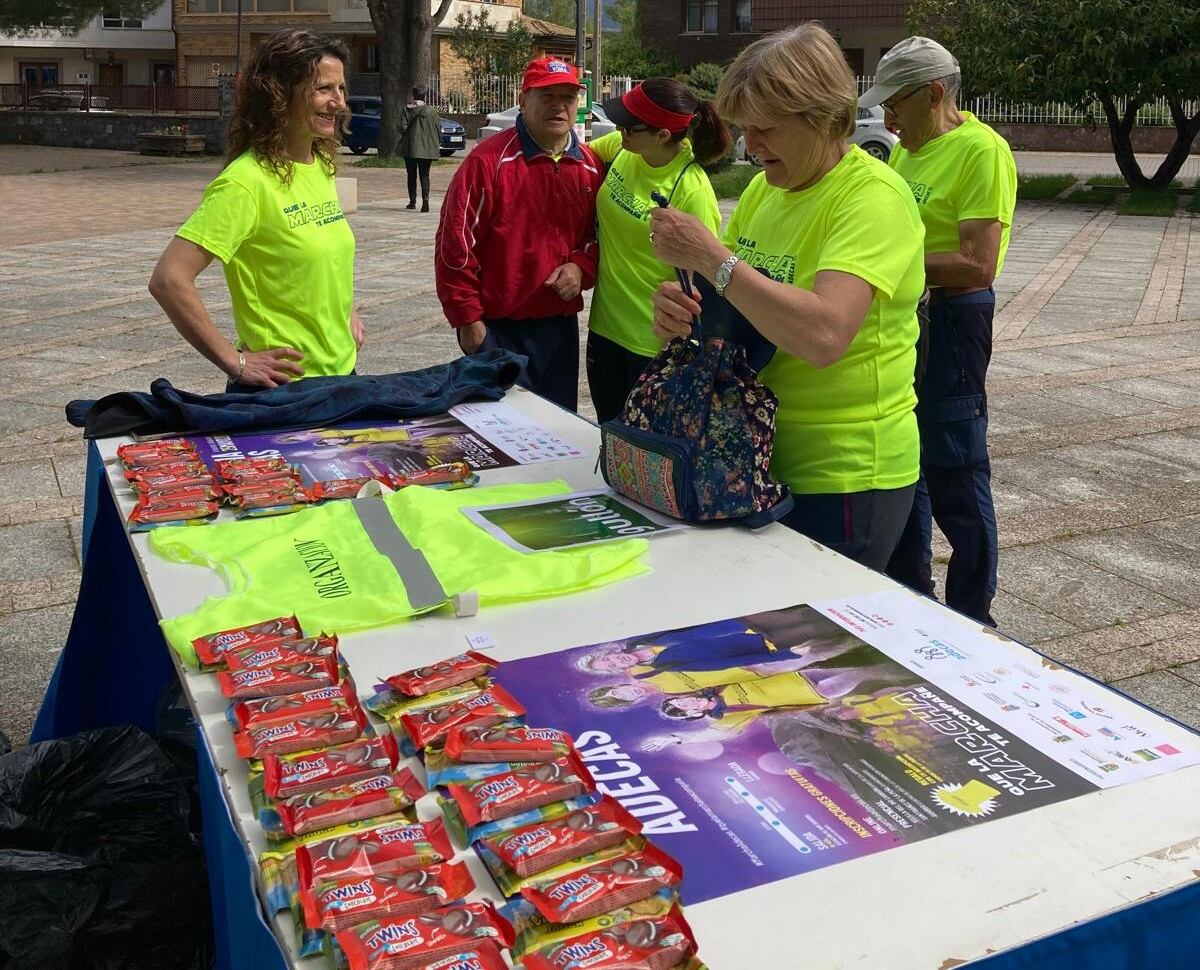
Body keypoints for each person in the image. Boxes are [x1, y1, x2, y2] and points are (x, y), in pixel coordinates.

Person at [647, 24, 926, 571]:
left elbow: (824, 336)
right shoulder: (765, 191)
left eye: (767, 130)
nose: (752, 147)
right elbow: (739, 302)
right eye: (745, 129)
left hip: (844, 475)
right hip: (753, 456)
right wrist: (685, 312)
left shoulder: (873, 198)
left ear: (824, 118)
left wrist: (711, 260)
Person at [861, 37, 1017, 625]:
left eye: (897, 104)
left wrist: (886, 259)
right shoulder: (906, 152)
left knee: (955, 460)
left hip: (955, 317)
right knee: (910, 454)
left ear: (935, 93)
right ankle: (912, 589)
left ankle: (974, 610)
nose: (889, 119)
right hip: (912, 317)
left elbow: (979, 261)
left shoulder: (981, 151)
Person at [149, 28, 364, 391]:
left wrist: (346, 308)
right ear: (280, 94)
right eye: (323, 89)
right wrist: (237, 363)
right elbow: (169, 279)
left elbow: (322, 256)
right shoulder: (246, 182)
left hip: (341, 377)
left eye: (341, 89)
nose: (339, 102)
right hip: (281, 390)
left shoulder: (319, 164)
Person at [435, 57, 605, 412]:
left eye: (568, 97)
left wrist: (579, 268)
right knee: (501, 438)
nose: (559, 106)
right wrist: (468, 319)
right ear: (524, 99)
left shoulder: (589, 166)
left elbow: (597, 236)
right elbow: (455, 244)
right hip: (498, 329)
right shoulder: (488, 162)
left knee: (557, 433)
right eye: (547, 96)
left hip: (559, 330)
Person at [585, 78, 727, 423]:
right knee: (608, 436)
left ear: (663, 135)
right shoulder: (624, 148)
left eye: (629, 127)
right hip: (604, 330)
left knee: (643, 458)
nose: (620, 131)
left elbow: (702, 285)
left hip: (651, 346)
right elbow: (584, 155)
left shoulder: (692, 191)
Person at [399, 86, 441, 212]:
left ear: (414, 95)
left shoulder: (407, 110)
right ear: (424, 96)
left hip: (411, 147)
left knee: (411, 175)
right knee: (425, 175)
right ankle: (426, 201)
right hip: (427, 148)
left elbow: (402, 127)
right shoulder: (432, 111)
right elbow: (438, 129)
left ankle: (412, 201)